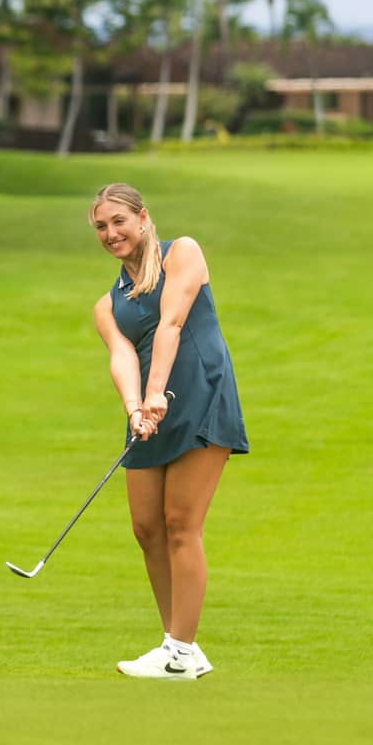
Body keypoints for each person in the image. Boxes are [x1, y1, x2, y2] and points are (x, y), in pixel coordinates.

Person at [90, 182, 249, 680]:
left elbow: (172, 324)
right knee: (147, 528)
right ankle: (178, 646)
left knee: (182, 523)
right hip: (150, 410)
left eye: (118, 221)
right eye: (100, 226)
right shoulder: (106, 304)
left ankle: (180, 651)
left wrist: (156, 391)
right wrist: (134, 407)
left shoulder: (183, 252)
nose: (111, 232)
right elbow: (120, 355)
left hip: (198, 392)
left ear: (142, 218)